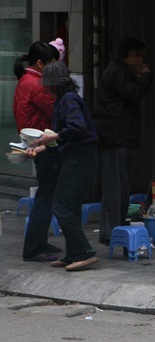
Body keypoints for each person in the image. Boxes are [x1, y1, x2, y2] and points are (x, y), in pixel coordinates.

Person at [30, 61, 99, 270]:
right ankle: (73, 254)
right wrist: (41, 147)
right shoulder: (63, 101)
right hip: (76, 157)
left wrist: (54, 137)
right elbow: (61, 138)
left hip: (81, 158)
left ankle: (84, 251)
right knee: (70, 206)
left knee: (61, 205)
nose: (46, 89)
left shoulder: (69, 100)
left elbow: (78, 127)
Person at [94, 37, 153, 244]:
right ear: (131, 56)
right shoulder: (118, 71)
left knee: (120, 189)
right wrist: (145, 76)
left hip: (119, 139)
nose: (143, 62)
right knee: (115, 190)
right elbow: (133, 93)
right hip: (114, 139)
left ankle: (114, 231)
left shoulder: (119, 71)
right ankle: (112, 233)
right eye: (140, 57)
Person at [12, 41, 63, 262]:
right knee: (46, 197)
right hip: (44, 144)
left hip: (39, 142)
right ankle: (34, 247)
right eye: (52, 66)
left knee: (46, 195)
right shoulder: (36, 84)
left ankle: (39, 242)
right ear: (41, 63)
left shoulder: (27, 80)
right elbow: (57, 107)